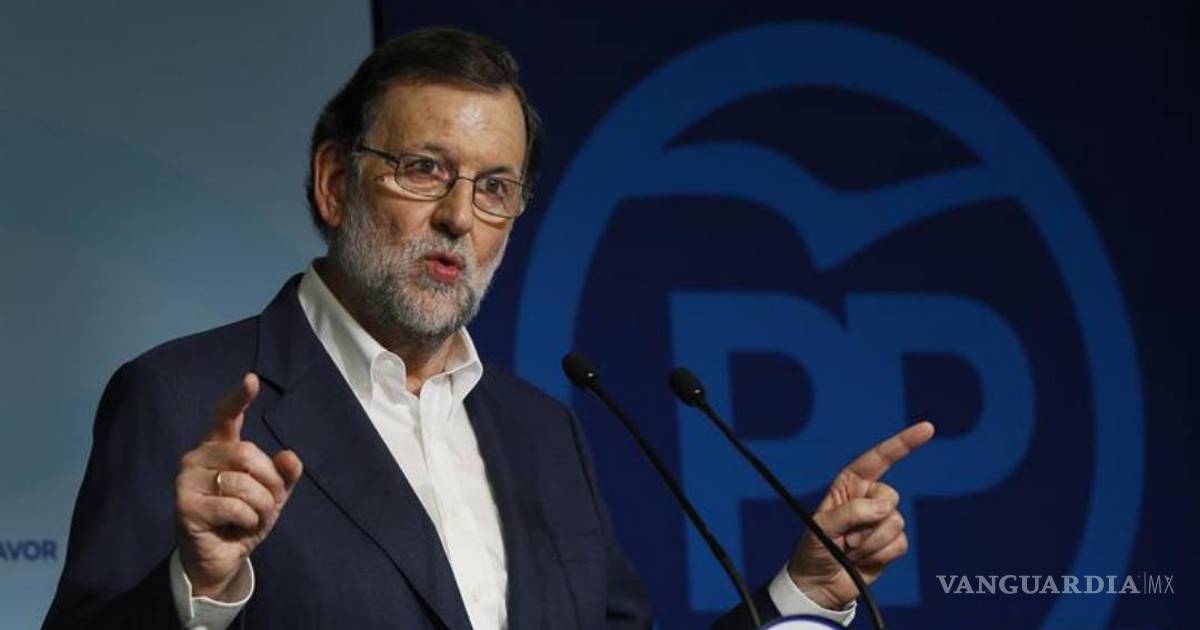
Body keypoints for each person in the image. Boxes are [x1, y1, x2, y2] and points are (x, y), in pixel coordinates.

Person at [43, 27, 933, 629]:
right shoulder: (179, 398)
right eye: (425, 169)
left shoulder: (543, 431)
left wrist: (803, 592)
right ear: (335, 184)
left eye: (495, 187)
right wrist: (198, 590)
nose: (459, 218)